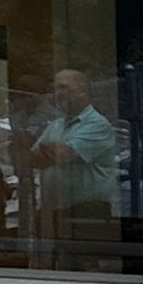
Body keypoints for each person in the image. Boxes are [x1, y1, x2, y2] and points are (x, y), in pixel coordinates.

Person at [22, 68, 123, 234]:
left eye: (63, 87)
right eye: (55, 89)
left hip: (87, 212)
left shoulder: (97, 124)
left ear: (82, 90)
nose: (58, 94)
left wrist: (51, 151)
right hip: (54, 210)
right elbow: (32, 160)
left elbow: (64, 155)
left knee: (81, 258)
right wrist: (51, 151)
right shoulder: (54, 126)